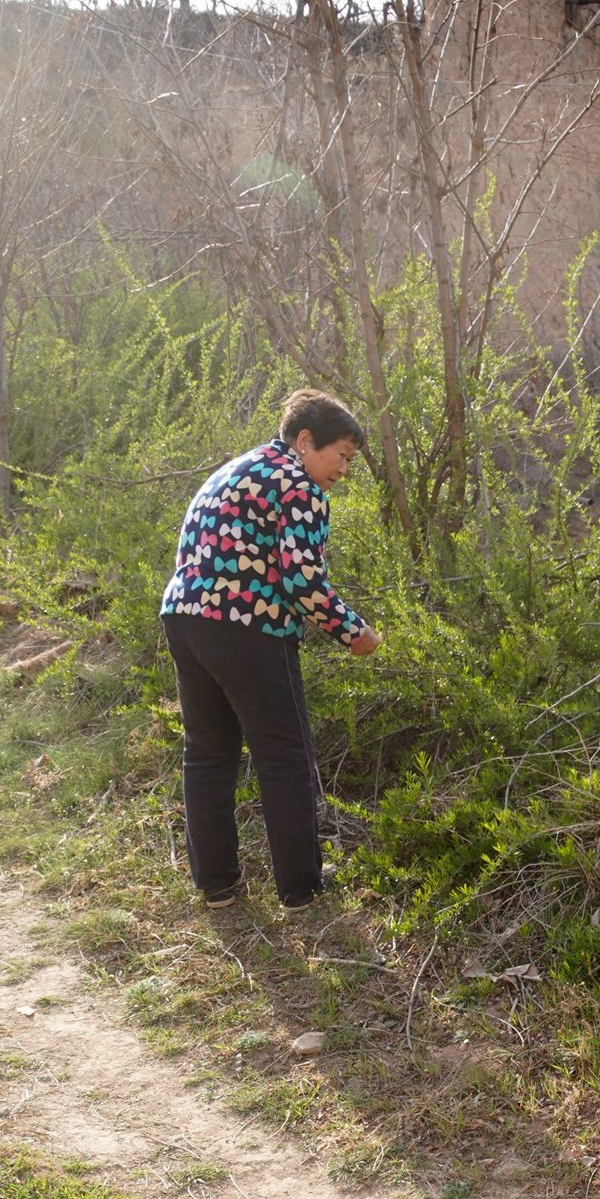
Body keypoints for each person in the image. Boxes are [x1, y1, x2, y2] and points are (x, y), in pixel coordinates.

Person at [158, 388, 381, 910]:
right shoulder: (298, 484)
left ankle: (216, 886)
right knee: (284, 756)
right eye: (342, 456)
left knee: (208, 755)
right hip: (247, 624)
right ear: (306, 441)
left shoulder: (233, 470)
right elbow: (301, 580)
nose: (344, 471)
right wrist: (354, 632)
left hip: (184, 618)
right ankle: (301, 890)